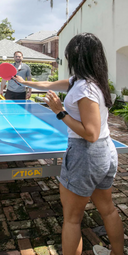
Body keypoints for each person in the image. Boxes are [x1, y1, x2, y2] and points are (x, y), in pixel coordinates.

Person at [15, 33, 123, 255]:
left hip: (87, 154)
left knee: (72, 220)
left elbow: (90, 134)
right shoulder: (87, 82)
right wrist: (25, 82)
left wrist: (59, 112)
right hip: (105, 152)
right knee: (108, 210)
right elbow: (48, 84)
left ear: (77, 57)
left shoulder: (84, 89)